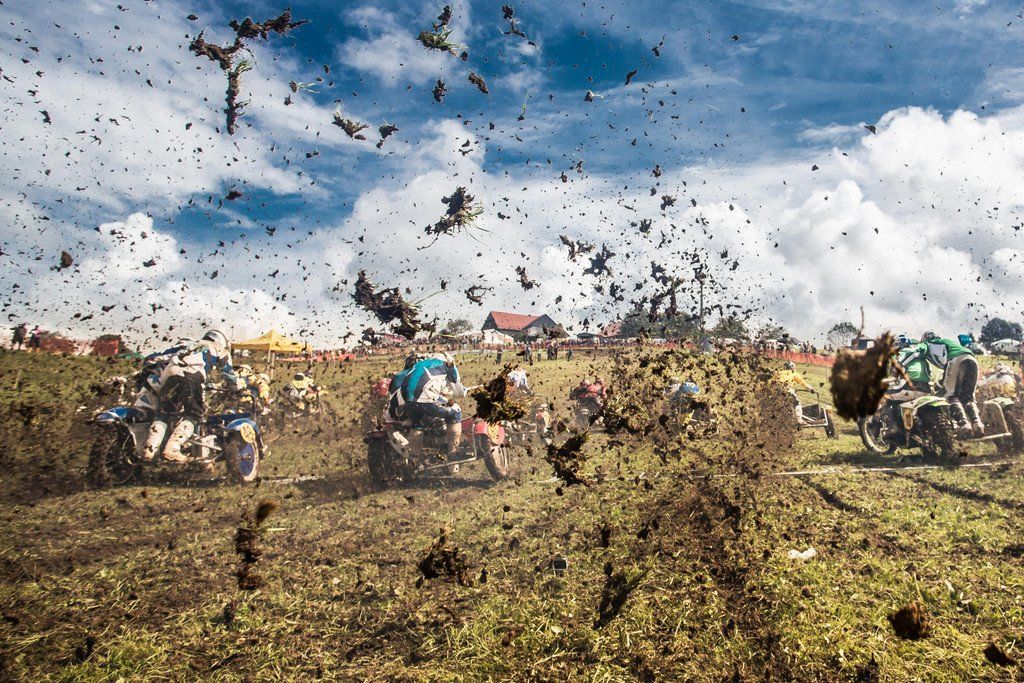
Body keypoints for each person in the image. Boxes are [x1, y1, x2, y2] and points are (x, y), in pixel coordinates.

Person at [142, 330, 235, 462]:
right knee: (194, 415)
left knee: (164, 413)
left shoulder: (188, 344)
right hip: (192, 374)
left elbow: (153, 358)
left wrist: (149, 371)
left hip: (170, 374)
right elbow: (229, 373)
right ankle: (172, 449)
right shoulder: (219, 348)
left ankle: (149, 450)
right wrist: (235, 387)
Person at [390, 353, 466, 456]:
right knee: (456, 412)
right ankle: (452, 453)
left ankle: (415, 458)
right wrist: (464, 390)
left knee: (417, 424)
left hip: (408, 402)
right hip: (426, 398)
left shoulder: (417, 366)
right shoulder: (448, 365)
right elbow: (459, 392)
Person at [921, 331, 983, 436]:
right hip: (972, 359)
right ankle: (977, 425)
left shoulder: (928, 344)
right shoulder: (948, 342)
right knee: (967, 397)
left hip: (955, 359)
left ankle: (964, 425)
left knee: (950, 395)